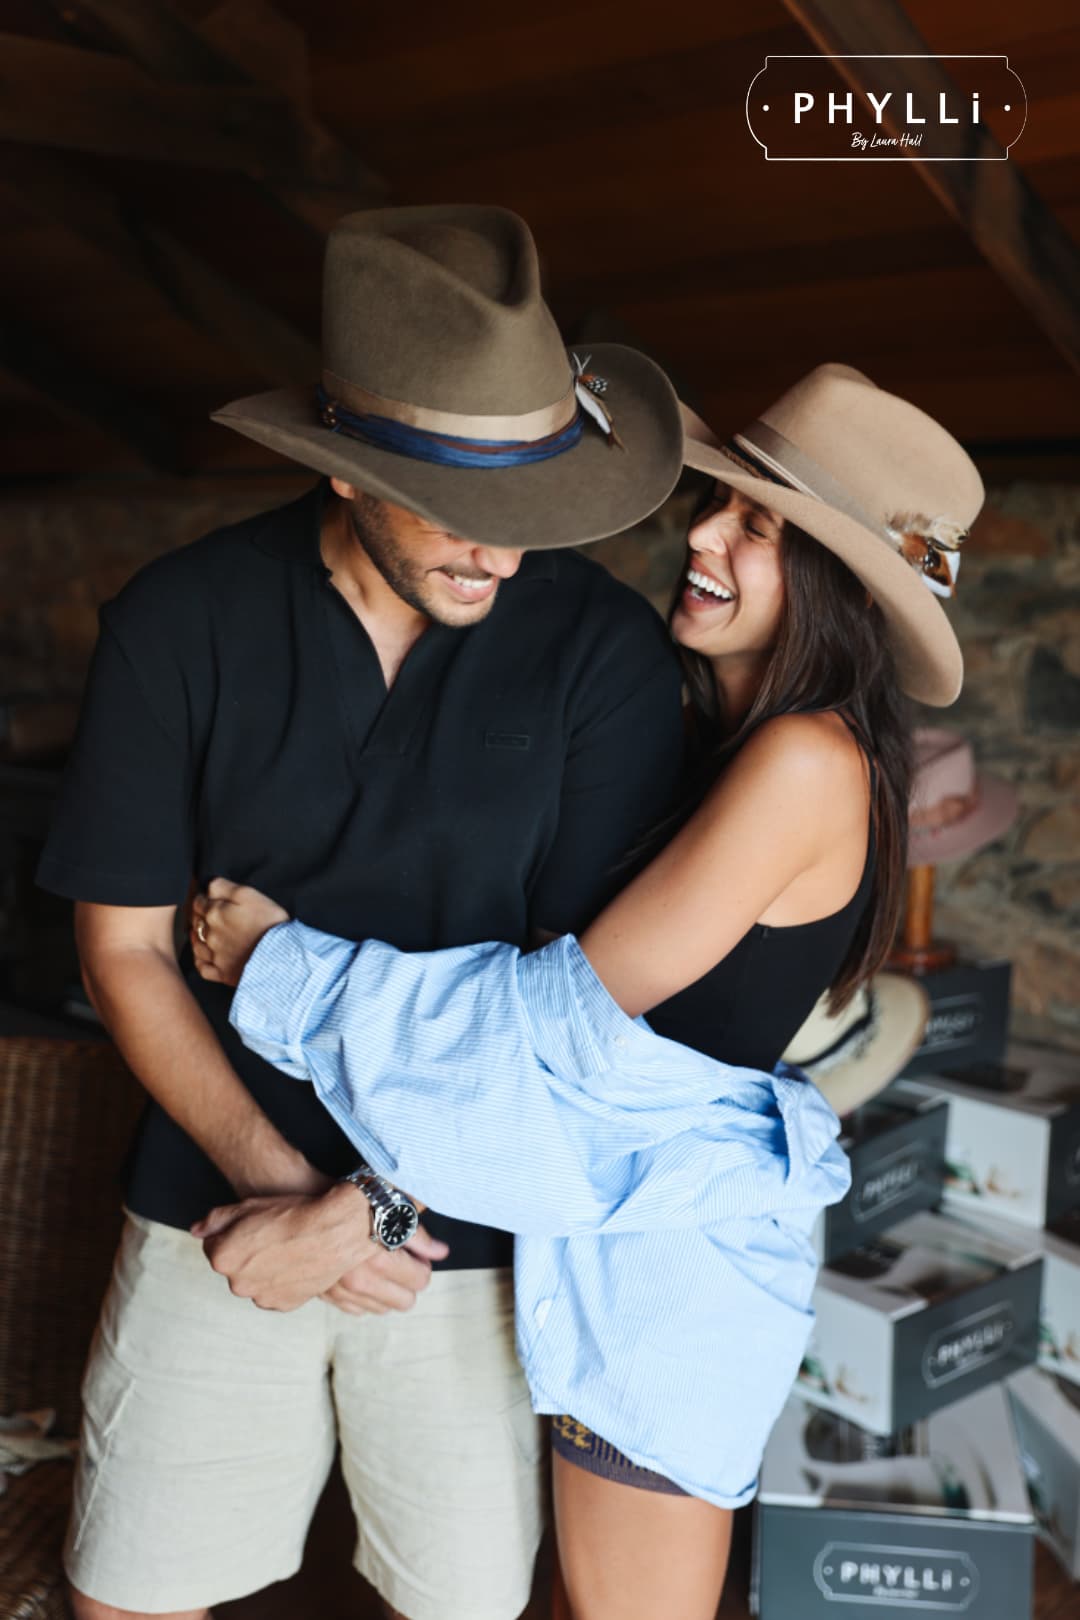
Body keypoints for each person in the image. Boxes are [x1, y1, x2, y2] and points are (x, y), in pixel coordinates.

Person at [189, 363, 984, 1620]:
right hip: (616, 1227)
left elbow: (560, 1017)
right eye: (720, 506)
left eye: (759, 529)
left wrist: (283, 967)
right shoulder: (724, 742)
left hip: (674, 1269)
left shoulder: (804, 760)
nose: (704, 538)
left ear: (837, 584)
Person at [35, 204, 689, 1620]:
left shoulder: (603, 654)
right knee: (126, 1599)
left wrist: (376, 1213)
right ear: (342, 465)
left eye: (527, 510)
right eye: (456, 508)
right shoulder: (181, 623)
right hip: (218, 1204)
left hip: (472, 1240)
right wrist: (286, 1193)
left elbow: (575, 1004)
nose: (499, 555)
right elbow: (126, 949)